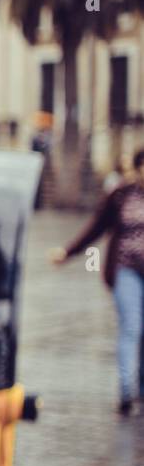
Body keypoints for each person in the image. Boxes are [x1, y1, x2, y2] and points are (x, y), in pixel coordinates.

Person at [51, 147, 144, 415]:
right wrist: (67, 252)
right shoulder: (121, 195)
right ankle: (126, 391)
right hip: (126, 270)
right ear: (137, 169)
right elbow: (97, 226)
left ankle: (140, 388)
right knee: (131, 327)